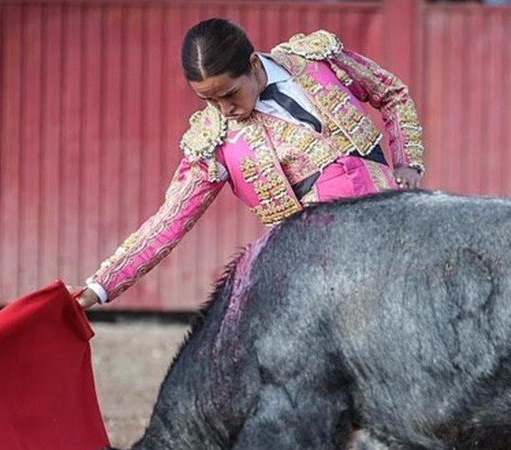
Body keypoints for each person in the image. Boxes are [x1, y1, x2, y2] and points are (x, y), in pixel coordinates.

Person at [70, 18, 425, 308]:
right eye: (209, 100)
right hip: (324, 260)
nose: (225, 109)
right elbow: (169, 222)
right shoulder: (214, 142)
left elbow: (391, 93)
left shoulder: (315, 59)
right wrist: (101, 286)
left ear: (253, 64)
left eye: (228, 94)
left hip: (396, 217)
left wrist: (407, 163)